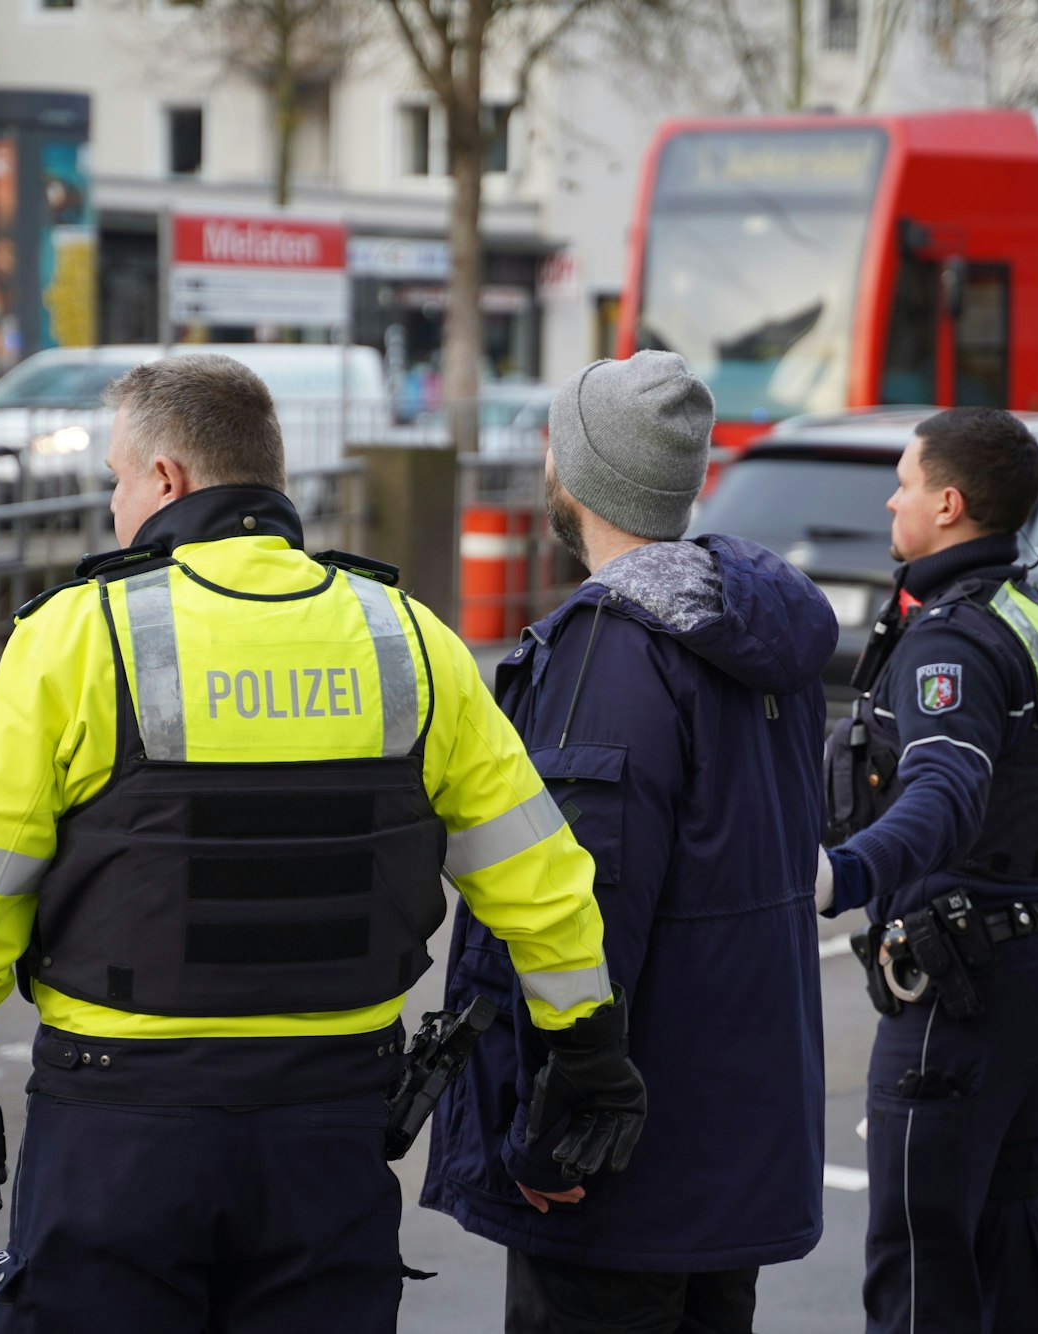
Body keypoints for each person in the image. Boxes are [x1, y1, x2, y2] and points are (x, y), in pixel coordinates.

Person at [0, 355, 646, 1333]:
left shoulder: (77, 637)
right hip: (329, 1127)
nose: (115, 504)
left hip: (119, 1124)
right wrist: (584, 1044)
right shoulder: (409, 641)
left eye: (116, 479)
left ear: (165, 479)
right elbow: (538, 878)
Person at [423, 350, 837, 1334]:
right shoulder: (754, 634)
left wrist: (554, 1123)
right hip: (728, 1150)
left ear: (577, 474)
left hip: (621, 1168)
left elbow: (581, 909)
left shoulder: (611, 650)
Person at [819, 406, 1038, 1334]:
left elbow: (946, 789)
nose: (891, 499)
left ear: (948, 502)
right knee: (1006, 1254)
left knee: (918, 1265)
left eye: (903, 482)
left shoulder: (950, 641)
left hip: (962, 990)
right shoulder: (1030, 613)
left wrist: (844, 877)